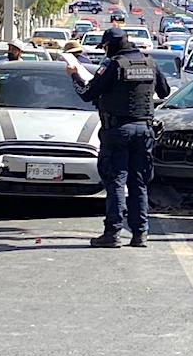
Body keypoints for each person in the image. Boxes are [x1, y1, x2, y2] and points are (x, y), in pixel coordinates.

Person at [66, 27, 170, 248]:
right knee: (139, 183)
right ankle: (140, 233)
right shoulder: (149, 62)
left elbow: (87, 94)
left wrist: (74, 73)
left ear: (110, 46)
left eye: (104, 47)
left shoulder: (113, 65)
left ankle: (113, 233)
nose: (103, 51)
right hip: (144, 130)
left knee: (116, 182)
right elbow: (164, 92)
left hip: (117, 131)